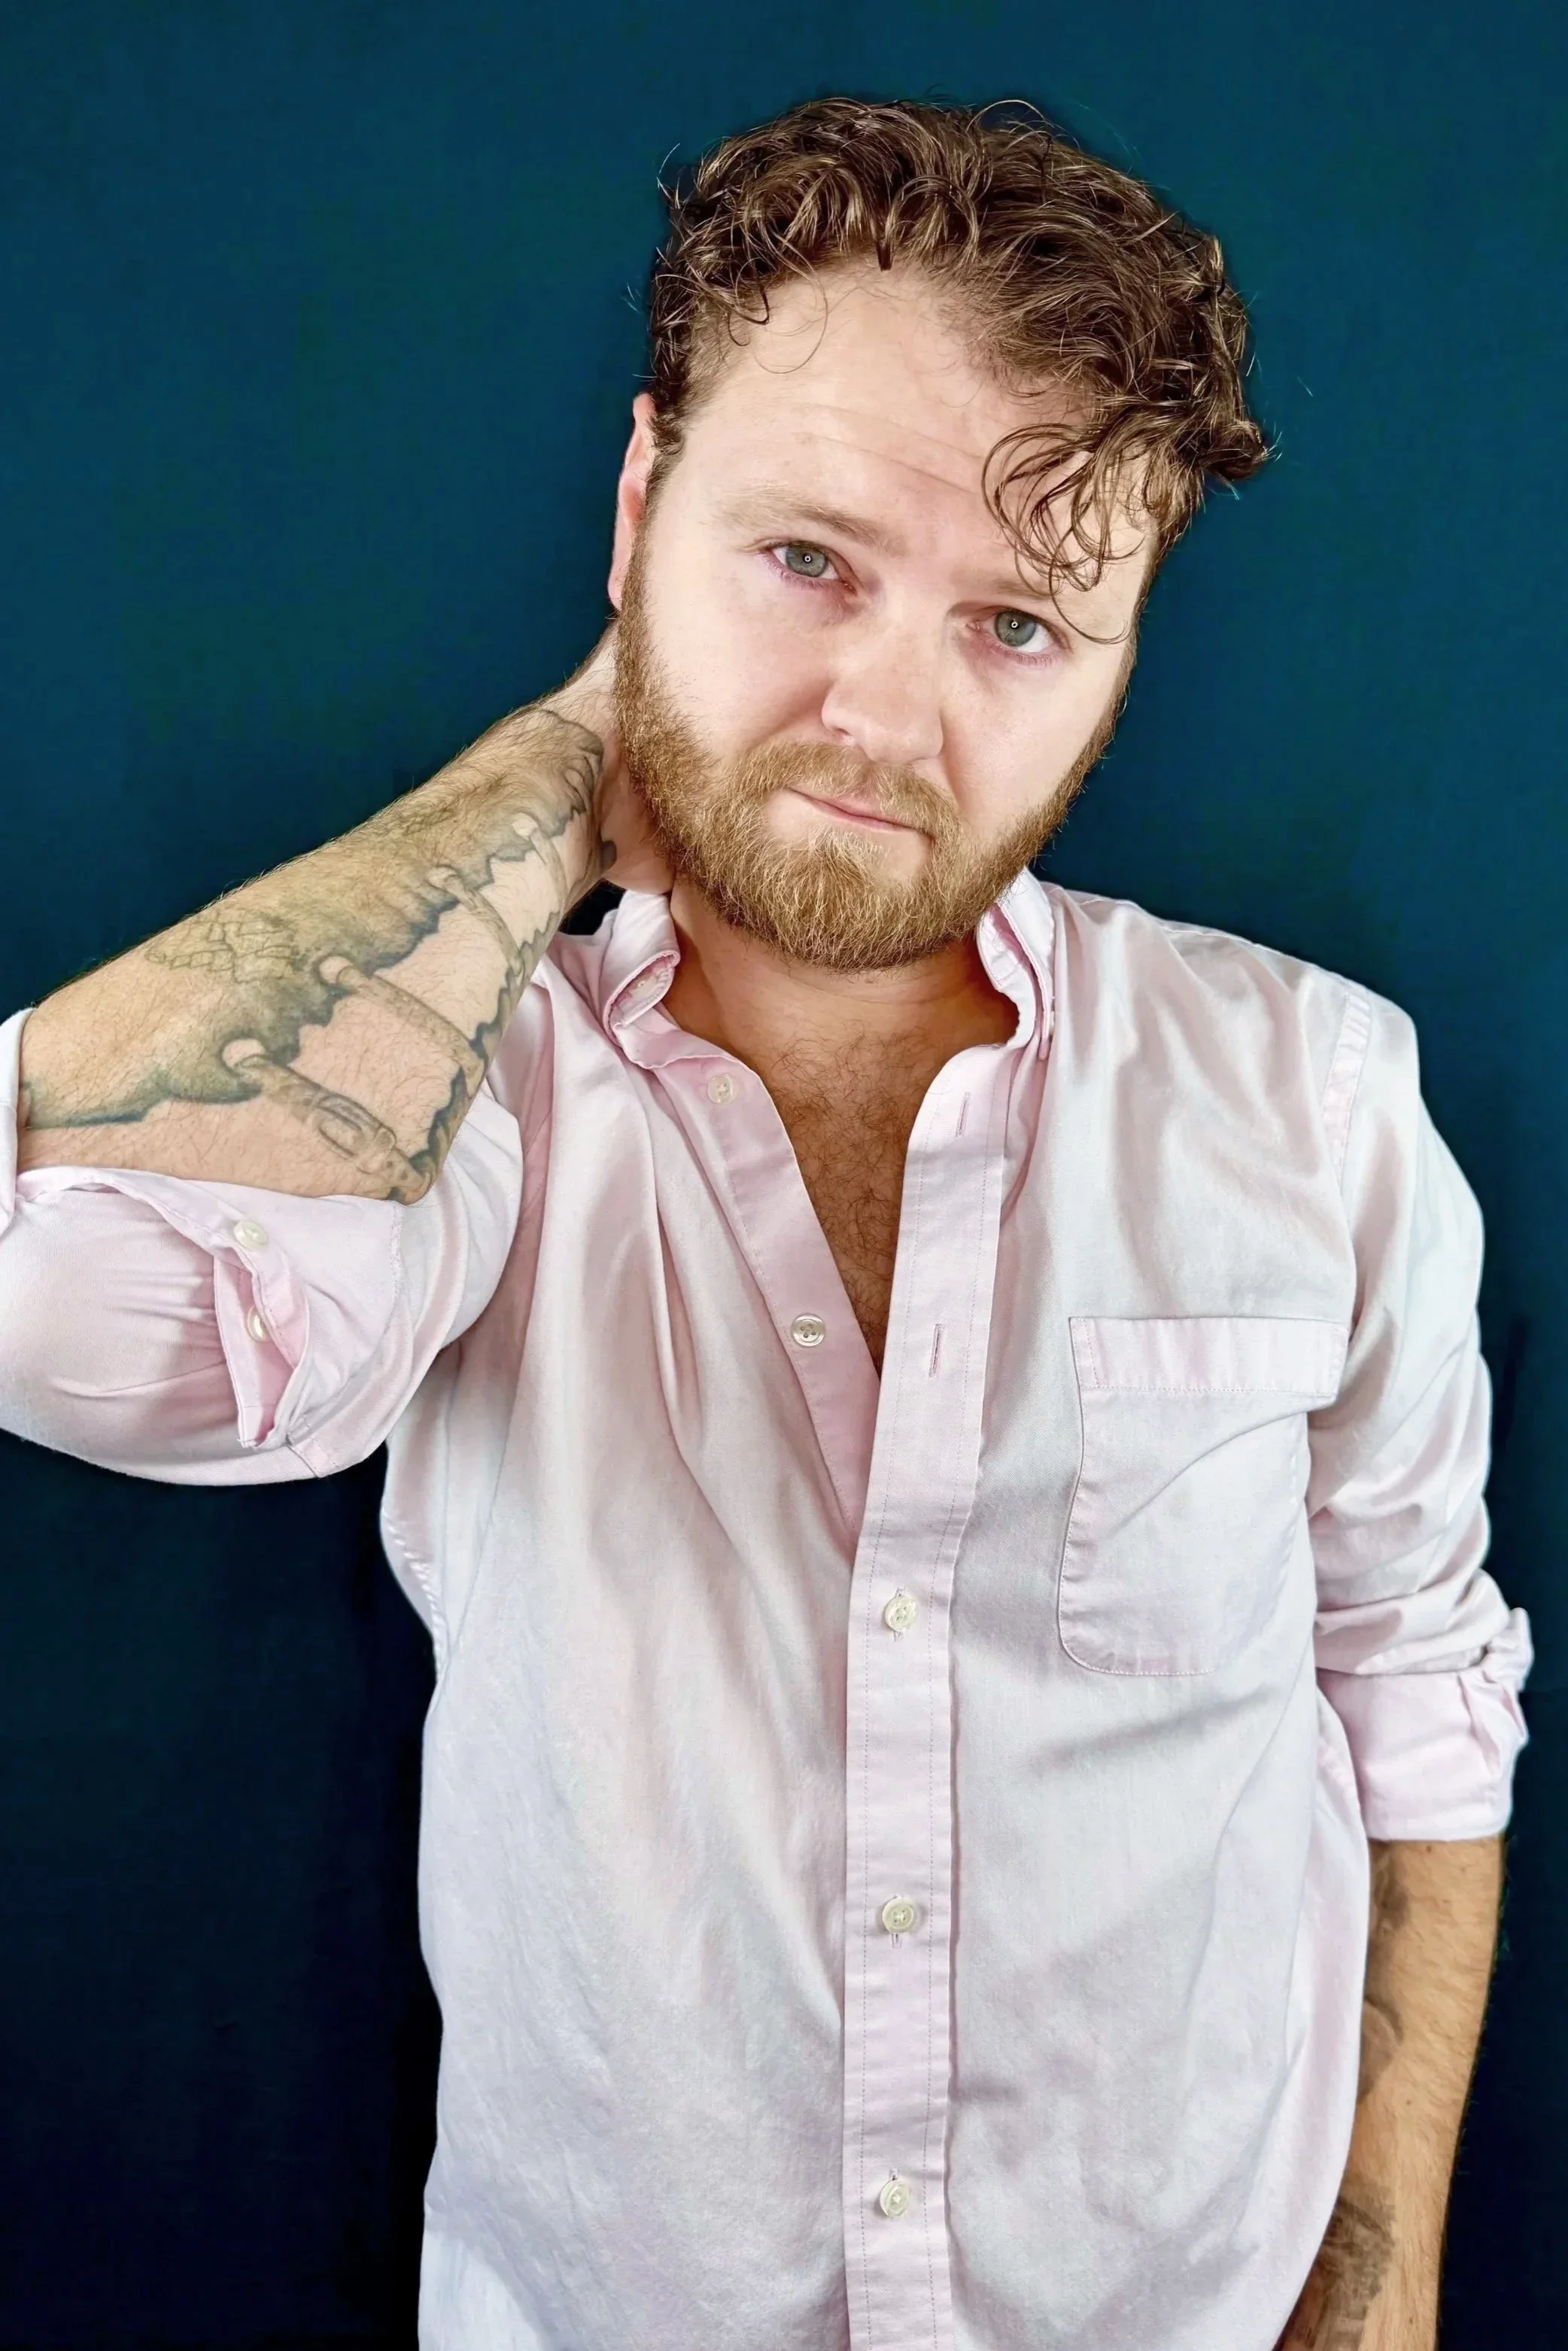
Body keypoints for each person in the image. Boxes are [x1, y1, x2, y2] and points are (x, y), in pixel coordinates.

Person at [0, 96, 1530, 2351]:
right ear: (640, 505)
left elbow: (1406, 1670)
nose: (881, 719)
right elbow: (82, 1313)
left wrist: (1378, 2277)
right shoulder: (477, 1080)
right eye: (805, 559)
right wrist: (554, 774)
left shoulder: (1310, 1093)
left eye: (1018, 623)